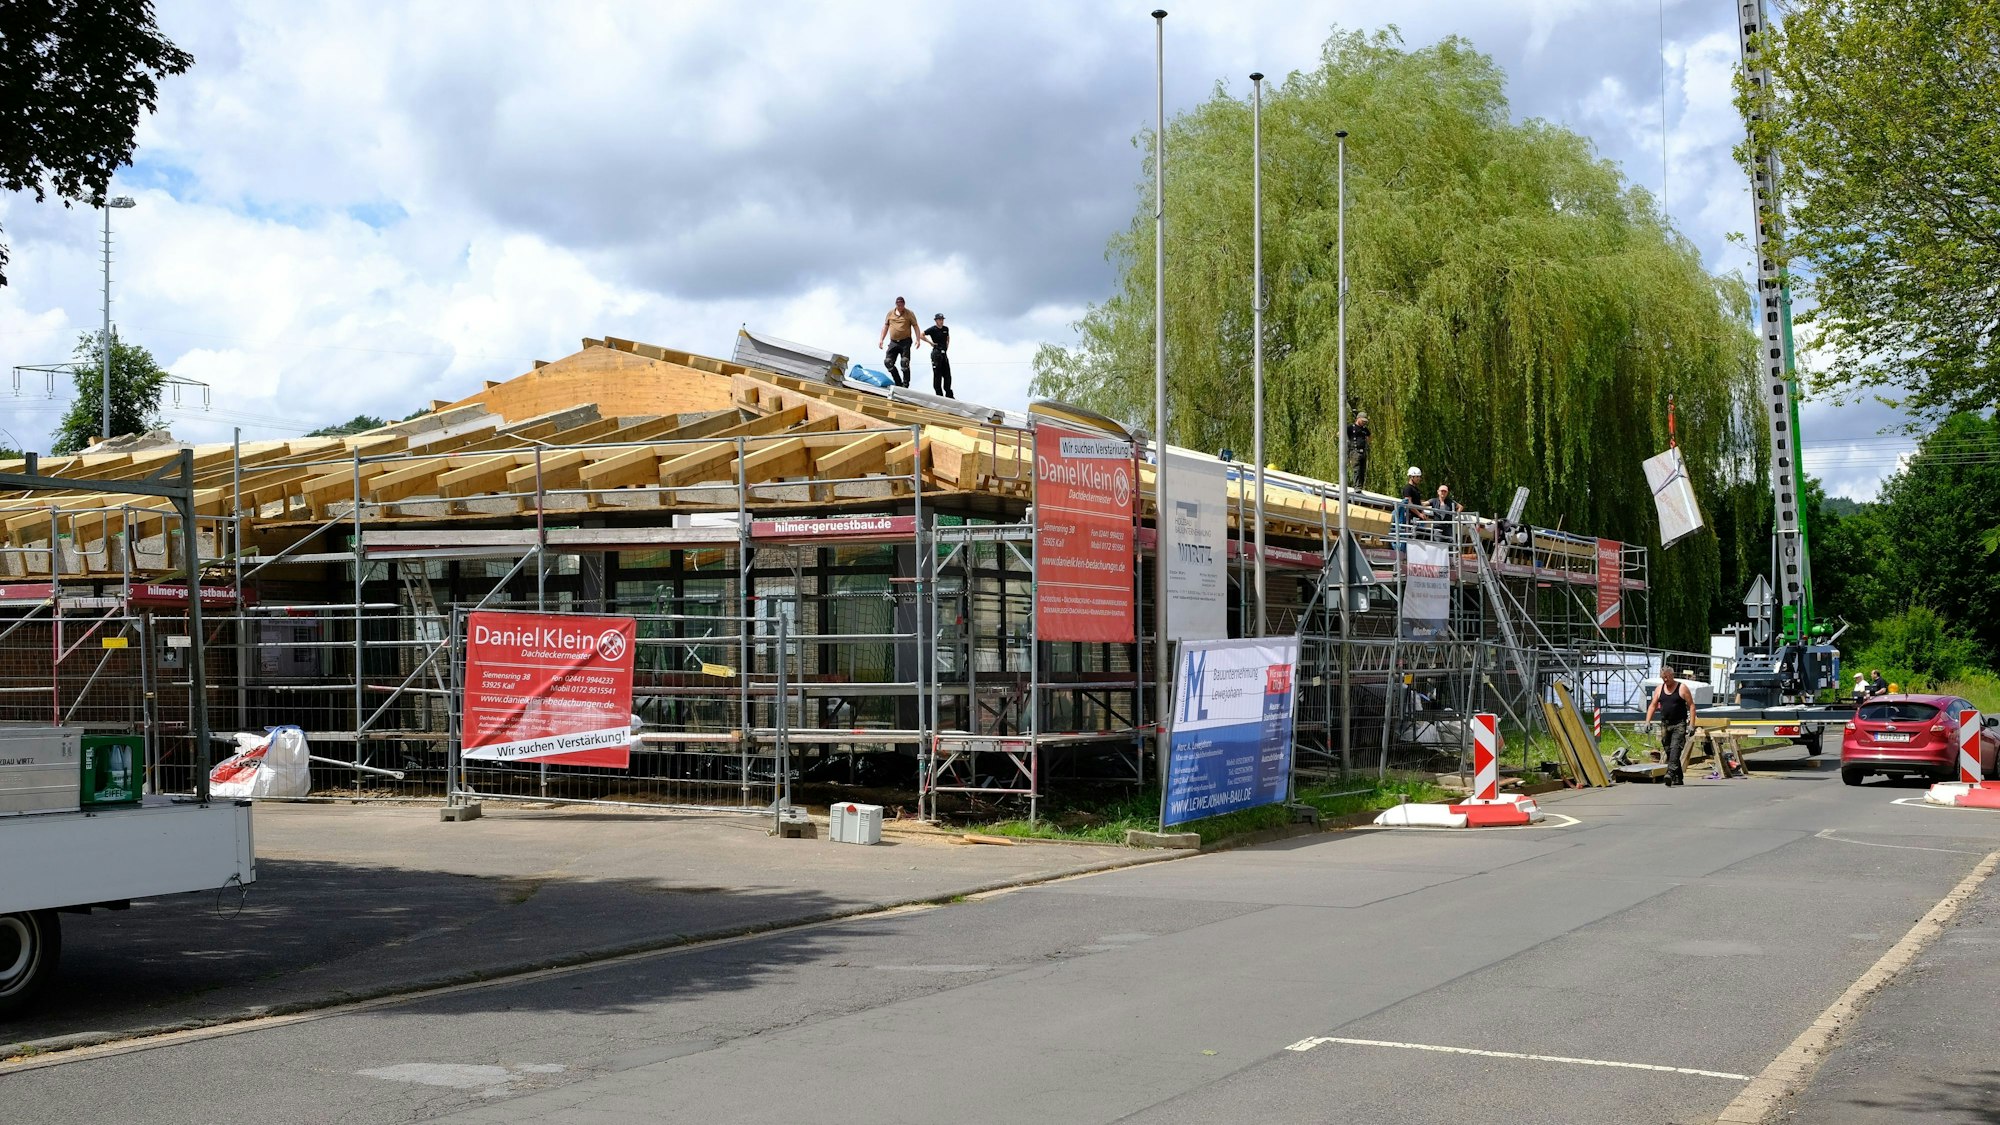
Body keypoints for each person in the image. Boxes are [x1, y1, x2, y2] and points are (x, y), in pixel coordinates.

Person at [1644, 665, 1697, 787]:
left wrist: (1692, 725)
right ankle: (1678, 777)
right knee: (1668, 749)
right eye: (1663, 678)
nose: (1665, 680)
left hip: (1679, 723)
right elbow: (1652, 705)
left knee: (1675, 748)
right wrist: (1647, 721)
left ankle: (1670, 773)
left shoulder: (1682, 688)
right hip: (1665, 723)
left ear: (1672, 675)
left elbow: (1692, 706)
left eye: (1667, 677)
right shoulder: (1659, 689)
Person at [877, 296, 922, 388]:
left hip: (905, 341)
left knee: (904, 362)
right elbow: (885, 326)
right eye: (898, 305)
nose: (900, 306)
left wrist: (918, 339)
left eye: (902, 304)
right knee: (888, 362)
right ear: (896, 305)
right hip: (893, 342)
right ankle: (898, 382)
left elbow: (916, 326)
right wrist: (881, 339)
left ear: (904, 304)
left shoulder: (909, 313)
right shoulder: (890, 313)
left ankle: (905, 385)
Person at [922, 313, 953, 398]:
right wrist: (930, 343)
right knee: (937, 375)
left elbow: (948, 337)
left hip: (944, 353)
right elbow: (921, 335)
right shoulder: (933, 329)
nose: (941, 321)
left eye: (942, 319)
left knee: (947, 375)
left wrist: (947, 346)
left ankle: (949, 394)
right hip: (936, 353)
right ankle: (939, 395)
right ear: (936, 320)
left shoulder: (946, 329)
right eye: (939, 319)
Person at [1346, 411, 1371, 485]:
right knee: (1357, 469)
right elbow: (1340, 433)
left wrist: (1367, 442)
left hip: (1363, 452)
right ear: (1358, 419)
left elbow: (1370, 436)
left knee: (1362, 471)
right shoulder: (1350, 427)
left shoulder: (1364, 429)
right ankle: (1357, 487)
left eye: (1365, 421)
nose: (1364, 422)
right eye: (1362, 421)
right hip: (1355, 451)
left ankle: (1360, 487)